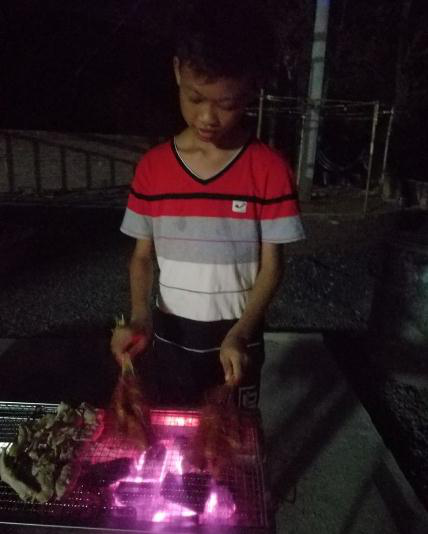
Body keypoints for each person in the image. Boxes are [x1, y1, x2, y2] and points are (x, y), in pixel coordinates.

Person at [111, 0, 305, 408]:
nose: (208, 118)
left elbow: (272, 266)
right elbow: (142, 256)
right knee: (173, 427)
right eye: (195, 98)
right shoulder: (153, 168)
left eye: (227, 104)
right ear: (177, 71)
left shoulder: (269, 169)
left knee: (232, 433)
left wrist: (241, 332)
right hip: (170, 335)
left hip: (237, 337)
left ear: (251, 89)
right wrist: (140, 316)